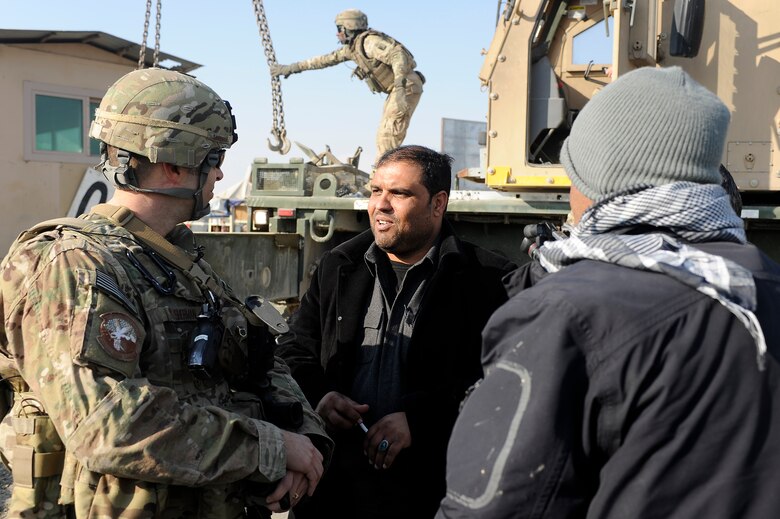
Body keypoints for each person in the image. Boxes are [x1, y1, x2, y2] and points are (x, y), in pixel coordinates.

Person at [436, 66, 780, 518]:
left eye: (573, 171)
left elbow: (494, 507)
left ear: (597, 178)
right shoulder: (763, 282)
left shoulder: (566, 312)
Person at [0, 68, 333, 518]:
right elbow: (108, 426)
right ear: (175, 164)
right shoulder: (75, 265)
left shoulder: (178, 257)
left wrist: (305, 436)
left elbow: (260, 360)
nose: (220, 173)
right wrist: (271, 448)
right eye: (214, 158)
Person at [275, 145, 516, 518]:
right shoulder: (338, 266)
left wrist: (420, 421)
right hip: (334, 490)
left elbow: (502, 381)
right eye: (376, 191)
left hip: (429, 490)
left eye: (399, 194)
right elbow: (294, 350)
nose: (380, 205)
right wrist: (322, 396)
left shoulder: (489, 280)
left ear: (438, 204)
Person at [271, 9, 425, 159]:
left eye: (340, 29)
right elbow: (323, 60)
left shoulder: (369, 42)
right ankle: (381, 170)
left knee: (388, 134)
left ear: (349, 27)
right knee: (383, 134)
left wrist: (400, 86)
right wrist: (291, 68)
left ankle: (381, 172)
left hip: (406, 86)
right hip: (398, 89)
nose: (337, 33)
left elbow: (397, 55)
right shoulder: (352, 48)